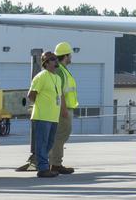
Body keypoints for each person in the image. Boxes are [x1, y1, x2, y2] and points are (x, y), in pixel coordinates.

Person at [26, 52, 66, 178]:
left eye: (55, 59)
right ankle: (43, 168)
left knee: (49, 143)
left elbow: (59, 96)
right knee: (42, 143)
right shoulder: (41, 76)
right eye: (52, 59)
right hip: (42, 116)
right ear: (46, 63)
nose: (56, 61)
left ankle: (43, 164)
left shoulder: (57, 78)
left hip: (53, 117)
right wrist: (41, 105)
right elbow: (31, 95)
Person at [50, 42, 79, 175]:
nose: (71, 57)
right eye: (70, 55)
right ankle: (56, 164)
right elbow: (59, 92)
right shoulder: (61, 71)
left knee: (60, 136)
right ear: (66, 56)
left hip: (65, 108)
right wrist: (63, 110)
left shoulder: (62, 70)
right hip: (64, 110)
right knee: (60, 136)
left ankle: (54, 162)